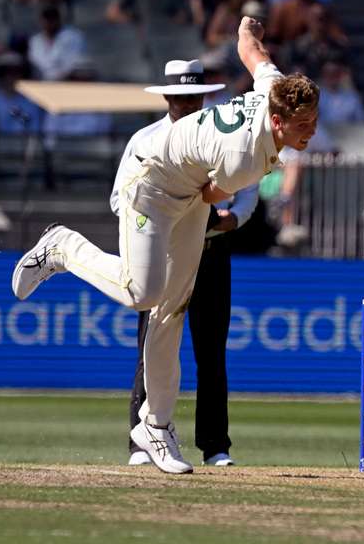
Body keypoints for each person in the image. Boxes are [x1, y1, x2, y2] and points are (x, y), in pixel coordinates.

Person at [11, 16, 319, 474]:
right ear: (277, 120)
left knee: (171, 311)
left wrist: (246, 29)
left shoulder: (270, 88)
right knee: (144, 294)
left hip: (188, 193)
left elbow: (254, 54)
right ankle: (62, 247)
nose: (311, 132)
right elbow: (214, 194)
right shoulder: (243, 161)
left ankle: (154, 426)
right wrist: (248, 38)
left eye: (313, 121)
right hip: (152, 186)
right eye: (304, 125)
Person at [108, 58, 259, 468]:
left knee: (210, 352)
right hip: (162, 251)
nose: (189, 104)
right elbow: (119, 198)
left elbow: (247, 188)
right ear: (168, 99)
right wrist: (152, 222)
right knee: (151, 345)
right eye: (182, 98)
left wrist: (233, 219)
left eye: (194, 96)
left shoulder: (220, 135)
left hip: (211, 249)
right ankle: (143, 442)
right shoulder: (146, 139)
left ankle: (215, 446)